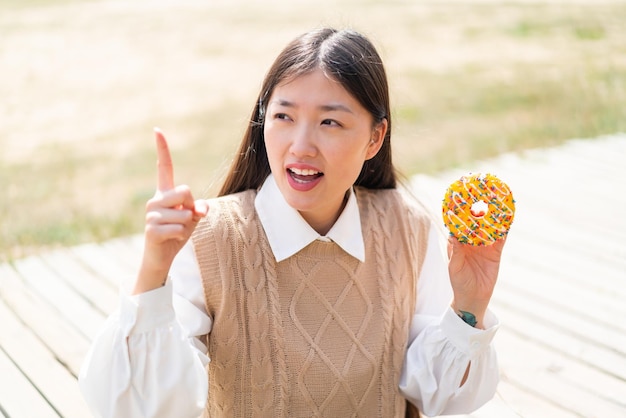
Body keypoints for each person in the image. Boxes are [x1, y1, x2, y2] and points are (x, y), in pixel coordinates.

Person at [79, 27, 504, 418]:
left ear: (375, 137)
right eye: (284, 117)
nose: (301, 146)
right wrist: (153, 272)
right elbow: (141, 405)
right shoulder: (211, 237)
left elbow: (438, 395)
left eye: (330, 122)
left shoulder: (407, 229)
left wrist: (469, 305)